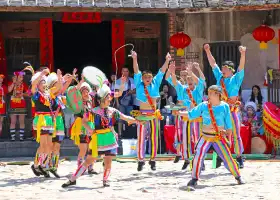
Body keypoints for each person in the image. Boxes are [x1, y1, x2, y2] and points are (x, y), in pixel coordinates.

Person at [62, 83, 137, 188]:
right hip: (97, 140)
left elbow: (125, 117)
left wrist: (137, 120)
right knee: (88, 161)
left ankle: (105, 180)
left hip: (109, 139)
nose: (110, 99)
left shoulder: (112, 111)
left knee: (108, 162)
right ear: (101, 99)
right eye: (107, 97)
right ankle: (73, 179)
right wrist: (89, 129)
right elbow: (84, 121)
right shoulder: (93, 111)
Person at [177, 85, 245, 191]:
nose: (208, 95)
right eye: (208, 93)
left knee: (228, 157)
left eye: (211, 93)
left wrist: (229, 136)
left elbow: (228, 124)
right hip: (205, 136)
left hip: (219, 137)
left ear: (218, 95)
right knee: (198, 155)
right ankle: (194, 178)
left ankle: (238, 176)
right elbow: (192, 114)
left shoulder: (225, 106)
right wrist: (180, 113)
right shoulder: (203, 105)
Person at [204, 43, 246, 168]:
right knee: (218, 133)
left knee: (235, 134)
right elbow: (213, 64)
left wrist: (243, 54)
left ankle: (239, 157)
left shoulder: (236, 78)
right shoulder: (219, 78)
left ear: (231, 70)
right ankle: (221, 156)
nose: (222, 70)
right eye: (222, 68)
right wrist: (207, 51)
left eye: (225, 68)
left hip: (232, 110)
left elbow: (241, 66)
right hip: (220, 110)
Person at [131, 50, 170, 171]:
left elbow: (162, 71)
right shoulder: (139, 84)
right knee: (141, 137)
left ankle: (152, 160)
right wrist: (135, 58)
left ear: (152, 78)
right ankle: (140, 160)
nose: (147, 78)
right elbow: (136, 70)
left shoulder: (155, 83)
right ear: (142, 79)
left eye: (149, 77)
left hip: (153, 114)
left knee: (154, 137)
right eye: (145, 77)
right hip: (142, 114)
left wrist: (167, 60)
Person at [167, 61, 206, 170]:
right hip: (186, 115)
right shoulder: (183, 89)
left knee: (198, 139)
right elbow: (175, 82)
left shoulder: (199, 90)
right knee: (186, 138)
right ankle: (187, 159)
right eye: (188, 81)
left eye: (191, 81)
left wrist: (193, 71)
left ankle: (200, 160)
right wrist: (173, 72)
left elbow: (201, 80)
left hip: (197, 117)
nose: (189, 83)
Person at [30, 68, 59, 178]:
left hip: (49, 120)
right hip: (41, 120)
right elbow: (33, 85)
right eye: (41, 82)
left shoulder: (48, 95)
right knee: (42, 145)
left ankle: (41, 164)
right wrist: (41, 74)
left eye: (44, 82)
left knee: (48, 145)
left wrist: (60, 79)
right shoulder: (36, 94)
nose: (43, 84)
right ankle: (36, 164)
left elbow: (58, 89)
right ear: (38, 85)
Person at [69, 77, 97, 175]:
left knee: (91, 148)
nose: (86, 93)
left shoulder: (90, 101)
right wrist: (80, 82)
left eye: (87, 91)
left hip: (90, 125)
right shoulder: (78, 103)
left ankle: (90, 167)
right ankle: (80, 168)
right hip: (81, 126)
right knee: (83, 149)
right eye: (83, 91)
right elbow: (73, 93)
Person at [8, 70, 29, 141]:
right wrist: (13, 83)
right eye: (20, 76)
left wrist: (23, 94)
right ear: (16, 77)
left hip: (22, 104)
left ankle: (21, 137)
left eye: (22, 76)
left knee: (21, 121)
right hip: (13, 104)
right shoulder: (11, 83)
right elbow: (8, 90)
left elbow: (29, 93)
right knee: (13, 121)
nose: (22, 78)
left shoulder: (24, 84)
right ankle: (13, 137)